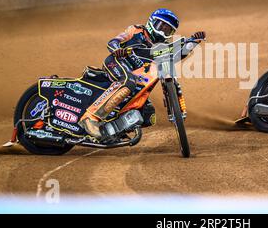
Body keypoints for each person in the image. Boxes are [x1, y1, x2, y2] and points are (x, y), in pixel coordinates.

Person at [78, 8, 206, 138]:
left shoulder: (162, 47)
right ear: (151, 22)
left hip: (137, 74)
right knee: (129, 81)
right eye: (161, 26)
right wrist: (117, 50)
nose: (163, 32)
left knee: (148, 114)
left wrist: (193, 42)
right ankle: (90, 117)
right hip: (117, 62)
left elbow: (175, 55)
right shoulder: (136, 30)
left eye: (168, 30)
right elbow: (113, 42)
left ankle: (116, 129)